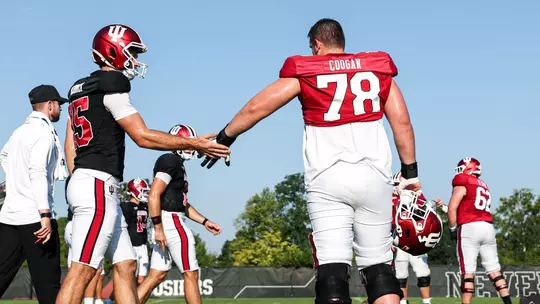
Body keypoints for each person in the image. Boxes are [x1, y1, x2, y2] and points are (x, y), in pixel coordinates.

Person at [201, 18, 420, 304]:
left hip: (327, 179)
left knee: (332, 270)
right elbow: (401, 123)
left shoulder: (307, 71)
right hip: (374, 176)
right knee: (379, 269)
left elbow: (258, 107)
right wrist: (410, 173)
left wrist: (225, 137)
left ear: (316, 45)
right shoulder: (376, 69)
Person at [57, 24, 230, 304]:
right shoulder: (113, 85)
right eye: (131, 53)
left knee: (126, 265)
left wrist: (77, 178)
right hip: (97, 186)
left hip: (96, 185)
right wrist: (195, 143)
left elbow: (71, 144)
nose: (134, 61)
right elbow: (142, 136)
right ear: (112, 51)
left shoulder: (81, 90)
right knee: (82, 270)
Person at [137, 124, 222, 304]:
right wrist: (159, 228)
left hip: (167, 220)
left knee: (156, 276)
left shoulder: (175, 164)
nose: (190, 147)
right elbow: (154, 194)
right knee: (191, 273)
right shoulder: (170, 160)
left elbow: (181, 203)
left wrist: (204, 221)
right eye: (186, 142)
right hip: (171, 223)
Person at [0, 85, 69, 303]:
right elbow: (38, 171)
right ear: (49, 105)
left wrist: (14, 180)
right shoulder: (43, 132)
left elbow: (4, 154)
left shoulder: (20, 131)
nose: (60, 108)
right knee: (48, 285)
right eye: (58, 104)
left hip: (10, 214)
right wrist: (45, 214)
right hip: (35, 218)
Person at [433, 157, 511, 304]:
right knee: (495, 271)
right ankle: (508, 302)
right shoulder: (484, 185)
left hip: (469, 228)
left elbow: (452, 208)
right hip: (488, 227)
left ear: (468, 168)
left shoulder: (463, 181)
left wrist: (453, 229)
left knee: (468, 272)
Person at [391, 173, 432, 304]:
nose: (397, 188)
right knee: (401, 274)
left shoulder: (418, 197)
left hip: (417, 238)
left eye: (399, 184)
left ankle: (427, 302)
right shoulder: (392, 198)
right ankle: (403, 302)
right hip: (400, 238)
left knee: (422, 272)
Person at [120, 178, 150, 285]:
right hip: (132, 246)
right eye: (144, 191)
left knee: (141, 281)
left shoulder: (144, 206)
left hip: (143, 246)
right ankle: (110, 301)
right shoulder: (126, 207)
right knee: (129, 281)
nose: (146, 194)